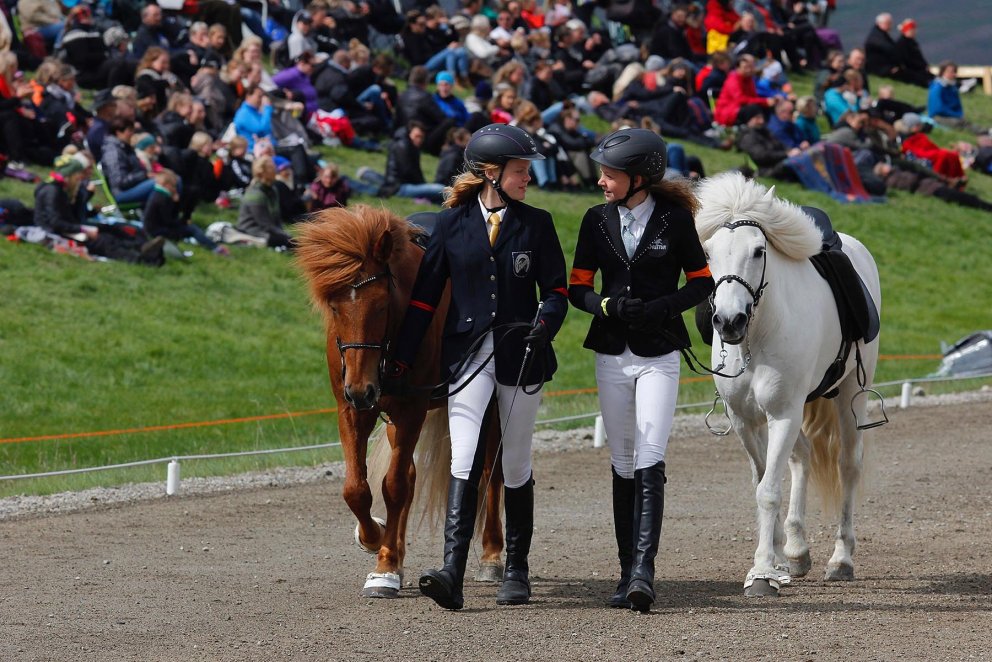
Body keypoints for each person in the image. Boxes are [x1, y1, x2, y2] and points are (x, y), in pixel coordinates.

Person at [384, 123, 569, 610]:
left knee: (514, 462)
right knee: (463, 457)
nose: (527, 176)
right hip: (467, 357)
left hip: (522, 353)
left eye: (527, 169)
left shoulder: (538, 223)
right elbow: (424, 301)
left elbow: (556, 290)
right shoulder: (450, 225)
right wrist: (402, 356)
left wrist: (545, 322)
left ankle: (517, 569)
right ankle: (452, 570)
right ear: (491, 174)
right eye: (519, 170)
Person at [568, 127, 713, 612]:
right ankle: (625, 566)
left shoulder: (674, 220)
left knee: (650, 453)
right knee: (622, 460)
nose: (602, 182)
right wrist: (606, 306)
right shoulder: (595, 220)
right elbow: (577, 288)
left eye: (609, 175)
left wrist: (662, 308)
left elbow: (702, 282)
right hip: (610, 352)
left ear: (638, 178)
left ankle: (643, 574)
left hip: (659, 355)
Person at [143, 169, 230, 256]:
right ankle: (215, 248)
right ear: (167, 185)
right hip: (157, 231)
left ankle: (209, 243)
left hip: (152, 228)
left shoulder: (156, 194)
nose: (175, 188)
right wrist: (182, 220)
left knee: (190, 228)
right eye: (174, 186)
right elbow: (168, 221)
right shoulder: (163, 198)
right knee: (193, 229)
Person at [235, 155, 293, 250]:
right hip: (251, 231)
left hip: (267, 230)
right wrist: (285, 236)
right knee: (289, 241)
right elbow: (265, 224)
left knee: (290, 240)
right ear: (263, 173)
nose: (276, 170)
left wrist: (284, 233)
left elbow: (276, 218)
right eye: (272, 168)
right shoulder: (255, 194)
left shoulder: (273, 189)